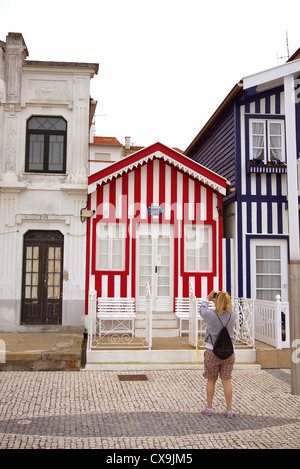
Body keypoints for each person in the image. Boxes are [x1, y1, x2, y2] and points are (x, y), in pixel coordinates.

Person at [199, 290, 237, 419]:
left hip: (212, 351)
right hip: (229, 352)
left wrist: (208, 298)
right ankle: (229, 410)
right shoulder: (233, 316)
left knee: (211, 380)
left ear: (216, 301)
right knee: (226, 380)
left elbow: (202, 310)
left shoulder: (210, 315)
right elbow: (227, 310)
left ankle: (209, 408)